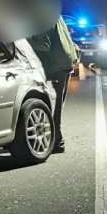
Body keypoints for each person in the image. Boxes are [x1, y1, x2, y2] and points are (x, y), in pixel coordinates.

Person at [29, 15, 79, 154]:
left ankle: (57, 141)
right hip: (65, 61)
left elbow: (44, 45)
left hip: (56, 65)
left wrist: (24, 40)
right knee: (57, 104)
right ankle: (56, 140)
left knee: (54, 106)